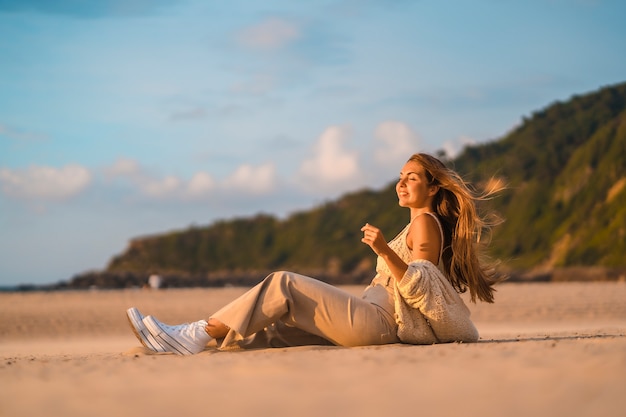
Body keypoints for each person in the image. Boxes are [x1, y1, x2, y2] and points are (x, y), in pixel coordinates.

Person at [126, 153, 504, 355]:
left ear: (434, 188)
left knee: (283, 285)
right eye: (401, 176)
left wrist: (384, 250)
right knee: (276, 327)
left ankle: (192, 333)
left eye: (413, 178)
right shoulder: (417, 224)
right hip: (372, 319)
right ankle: (184, 344)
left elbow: (420, 284)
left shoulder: (425, 224)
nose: (402, 183)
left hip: (381, 322)